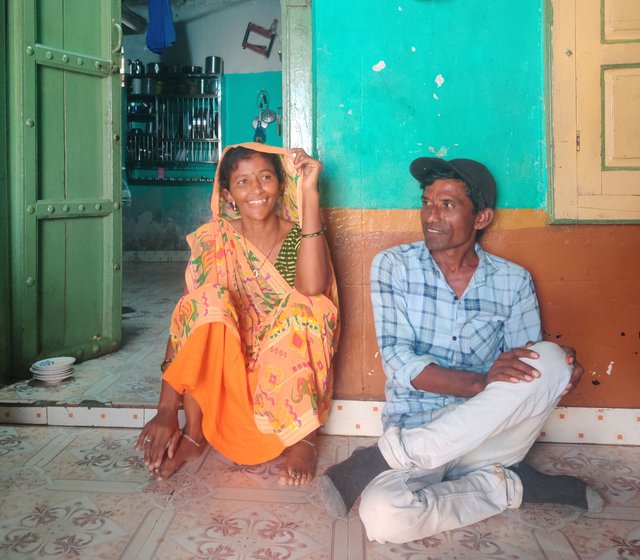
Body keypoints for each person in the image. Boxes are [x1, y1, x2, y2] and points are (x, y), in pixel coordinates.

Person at [320, 157, 602, 543]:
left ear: (482, 217)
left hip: (489, 435)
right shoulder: (393, 265)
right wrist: (481, 381)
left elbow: (526, 370)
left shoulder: (513, 280)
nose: (430, 216)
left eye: (447, 205)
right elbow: (398, 361)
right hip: (418, 427)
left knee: (550, 359)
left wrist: (561, 366)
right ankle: (511, 486)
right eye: (427, 202)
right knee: (383, 516)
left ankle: (383, 458)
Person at [137, 143, 339, 486]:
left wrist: (309, 191)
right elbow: (187, 321)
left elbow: (313, 288)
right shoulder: (216, 240)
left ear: (280, 184)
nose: (257, 190)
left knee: (305, 307)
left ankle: (302, 436)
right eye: (243, 182)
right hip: (231, 362)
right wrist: (166, 408)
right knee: (207, 301)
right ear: (229, 195)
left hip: (281, 364)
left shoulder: (296, 236)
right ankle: (194, 433)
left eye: (265, 178)